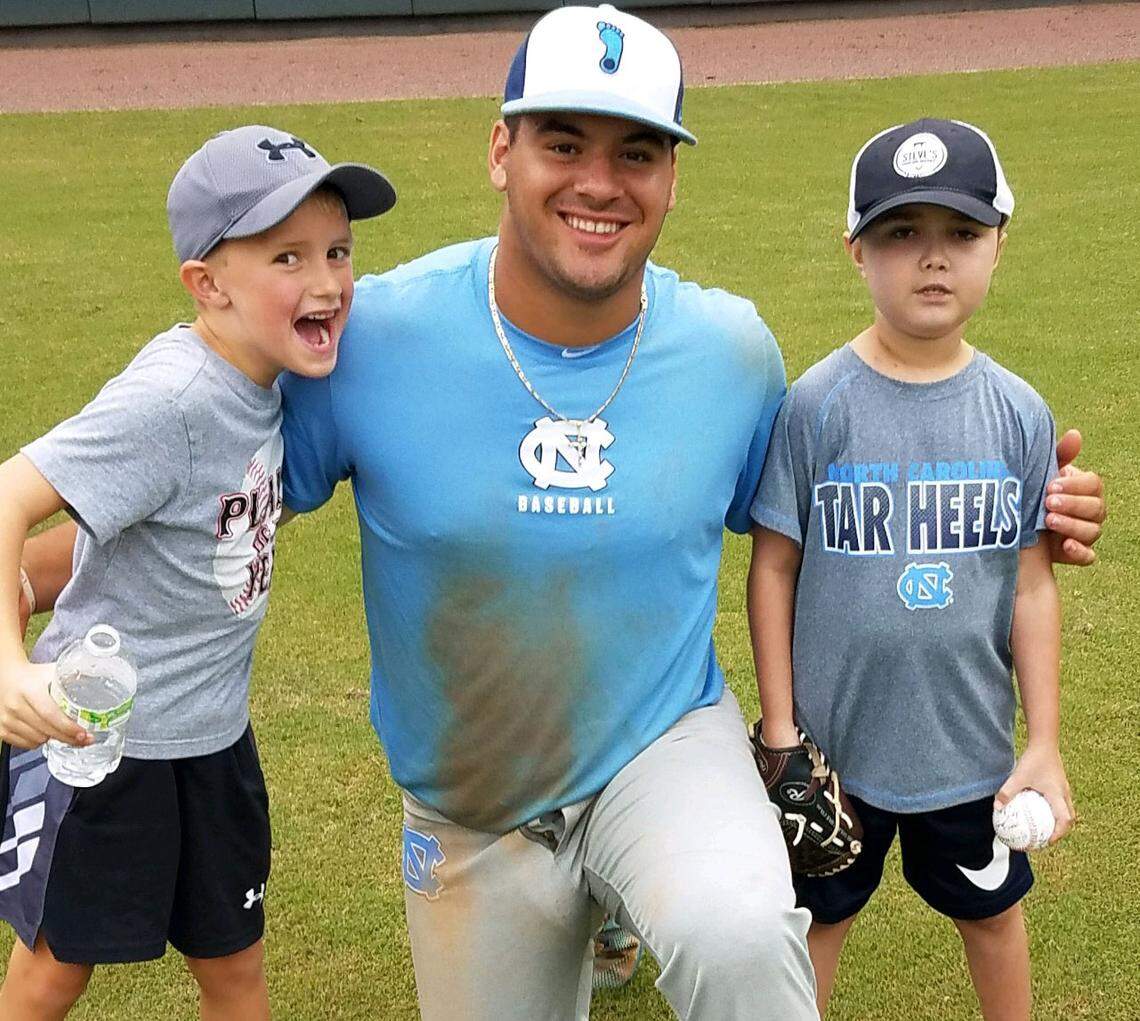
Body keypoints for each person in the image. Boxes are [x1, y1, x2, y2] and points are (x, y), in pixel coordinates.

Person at [278, 9, 1105, 1020]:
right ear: (501, 149)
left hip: (659, 748)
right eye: (563, 141)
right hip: (475, 799)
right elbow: (212, 503)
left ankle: (628, 883)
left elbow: (836, 508)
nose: (599, 181)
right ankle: (604, 912)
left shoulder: (729, 351)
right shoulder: (374, 337)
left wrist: (1028, 508)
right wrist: (27, 571)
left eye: (637, 151)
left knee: (745, 935)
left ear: (670, 175)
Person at [0, 125, 394, 1020]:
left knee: (235, 970)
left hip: (212, 745)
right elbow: (8, 494)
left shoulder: (269, 384)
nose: (327, 281)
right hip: (104, 751)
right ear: (207, 284)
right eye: (287, 256)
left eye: (337, 250)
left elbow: (154, 533)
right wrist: (8, 669)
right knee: (55, 970)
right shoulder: (171, 399)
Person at [750, 118, 1077, 1021]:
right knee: (813, 921)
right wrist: (782, 730)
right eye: (902, 234)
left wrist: (1041, 740)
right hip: (833, 755)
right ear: (855, 249)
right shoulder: (817, 404)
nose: (933, 260)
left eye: (962, 234)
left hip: (968, 751)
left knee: (994, 914)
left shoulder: (1017, 412)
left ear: (1000, 245)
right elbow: (773, 568)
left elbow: (1032, 583)